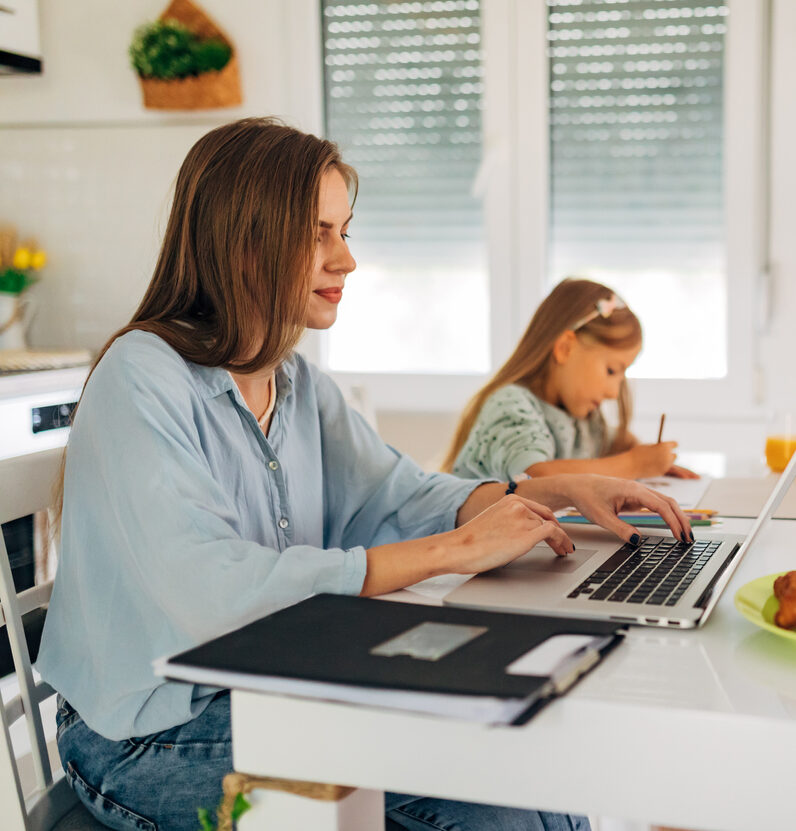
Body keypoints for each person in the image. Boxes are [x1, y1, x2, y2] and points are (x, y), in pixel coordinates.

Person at [36, 118, 691, 831]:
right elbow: (213, 593)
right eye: (319, 233)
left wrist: (539, 493)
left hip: (266, 685)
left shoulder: (299, 385)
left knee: (528, 754)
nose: (346, 260)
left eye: (346, 232)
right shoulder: (143, 377)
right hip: (143, 733)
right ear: (243, 240)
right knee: (487, 790)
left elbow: (397, 494)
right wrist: (451, 550)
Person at [442, 278, 698, 482]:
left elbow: (611, 440)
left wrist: (643, 455)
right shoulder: (511, 405)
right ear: (565, 347)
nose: (613, 392)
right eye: (611, 371)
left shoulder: (577, 417)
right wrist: (633, 464)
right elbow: (535, 477)